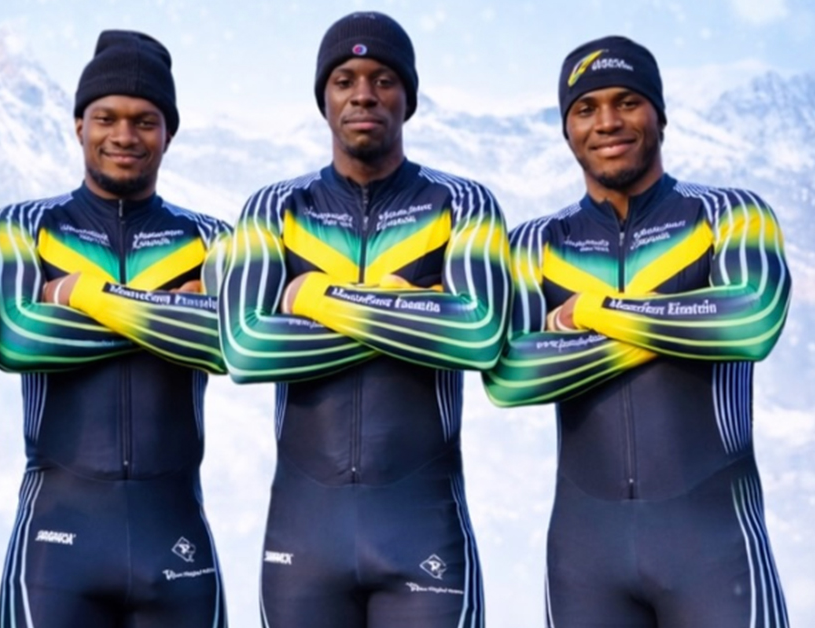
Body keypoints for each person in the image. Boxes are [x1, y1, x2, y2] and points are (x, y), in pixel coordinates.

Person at [484, 35, 791, 627]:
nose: (607, 122)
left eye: (627, 101)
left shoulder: (729, 214)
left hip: (715, 547)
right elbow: (511, 374)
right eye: (586, 108)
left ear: (660, 114)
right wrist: (683, 321)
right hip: (584, 562)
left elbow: (751, 321)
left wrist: (591, 312)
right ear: (567, 129)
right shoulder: (533, 245)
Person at [219, 12, 510, 627]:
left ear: (408, 97)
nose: (363, 95)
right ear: (323, 98)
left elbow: (480, 335)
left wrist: (315, 297)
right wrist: (411, 307)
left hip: (422, 529)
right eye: (344, 80)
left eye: (383, 79)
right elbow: (244, 347)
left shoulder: (462, 204)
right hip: (303, 538)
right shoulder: (274, 209)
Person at [0, 30, 230, 628]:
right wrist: (167, 314)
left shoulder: (214, 239)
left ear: (169, 133)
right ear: (78, 126)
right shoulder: (23, 226)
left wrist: (76, 294)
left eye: (145, 121)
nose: (124, 136)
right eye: (106, 118)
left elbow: (234, 346)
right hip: (56, 542)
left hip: (175, 537)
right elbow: (16, 339)